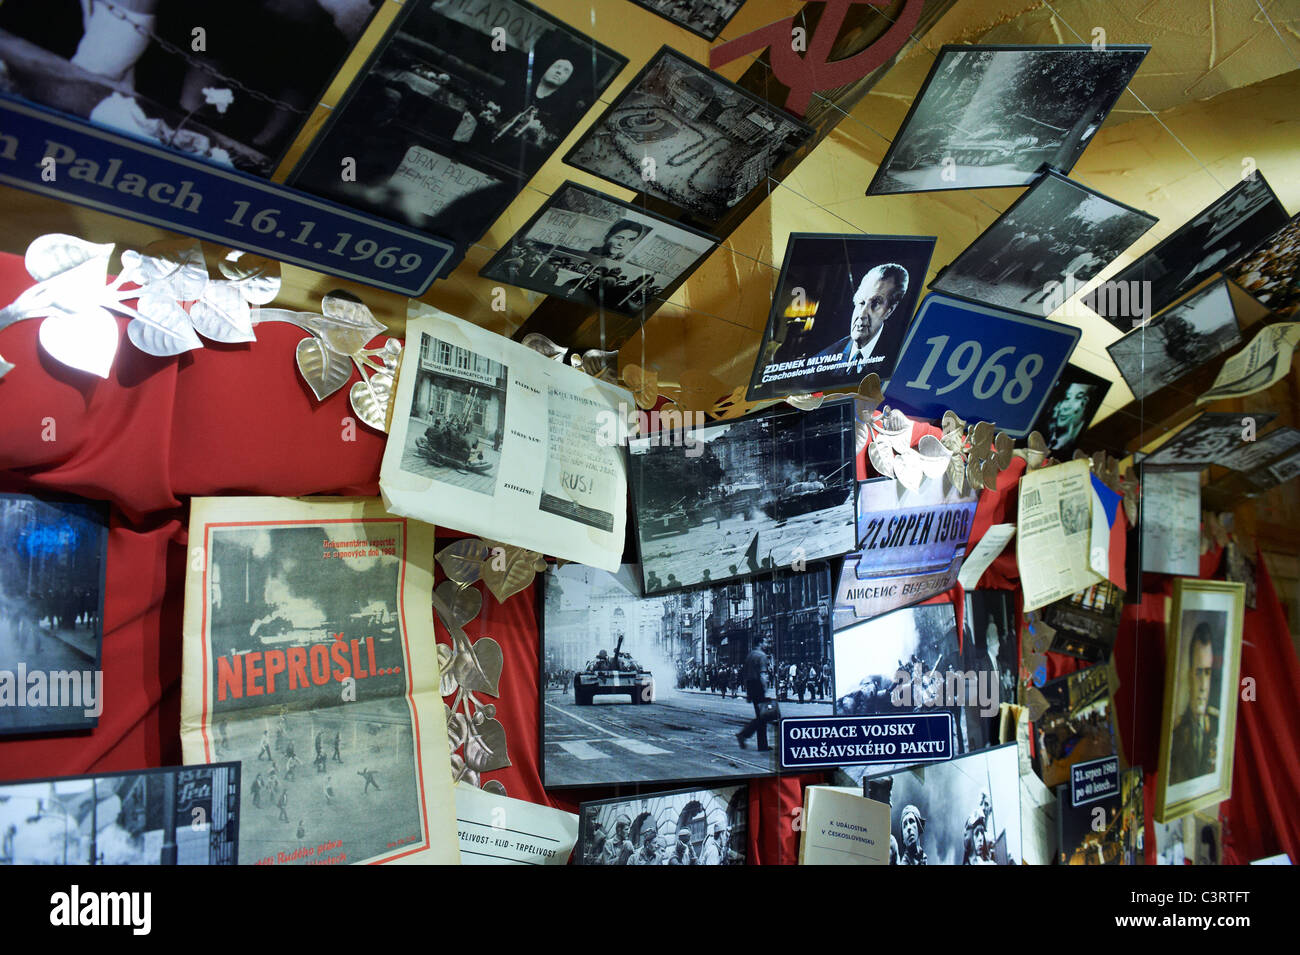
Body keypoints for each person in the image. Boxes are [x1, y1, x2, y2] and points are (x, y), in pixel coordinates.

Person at [812, 263, 910, 376]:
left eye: (876, 303)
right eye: (861, 302)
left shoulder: (899, 358)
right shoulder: (820, 361)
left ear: (890, 311)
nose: (862, 314)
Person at [1169, 622, 1219, 784]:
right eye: (1198, 672)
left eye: (1207, 673)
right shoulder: (1176, 736)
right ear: (1190, 675)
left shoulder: (1217, 726)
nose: (1204, 686)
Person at [737, 638, 775, 751]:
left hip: (751, 686)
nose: (766, 644)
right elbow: (763, 674)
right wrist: (765, 687)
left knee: (761, 716)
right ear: (760, 643)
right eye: (765, 642)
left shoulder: (750, 655)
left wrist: (748, 691)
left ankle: (762, 745)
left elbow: (745, 674)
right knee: (763, 716)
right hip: (758, 686)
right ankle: (743, 734)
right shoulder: (761, 655)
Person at [1044, 382, 1095, 455]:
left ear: (1085, 404)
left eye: (1078, 398)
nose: (1065, 407)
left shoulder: (1076, 445)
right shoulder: (1047, 436)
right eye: (1067, 398)